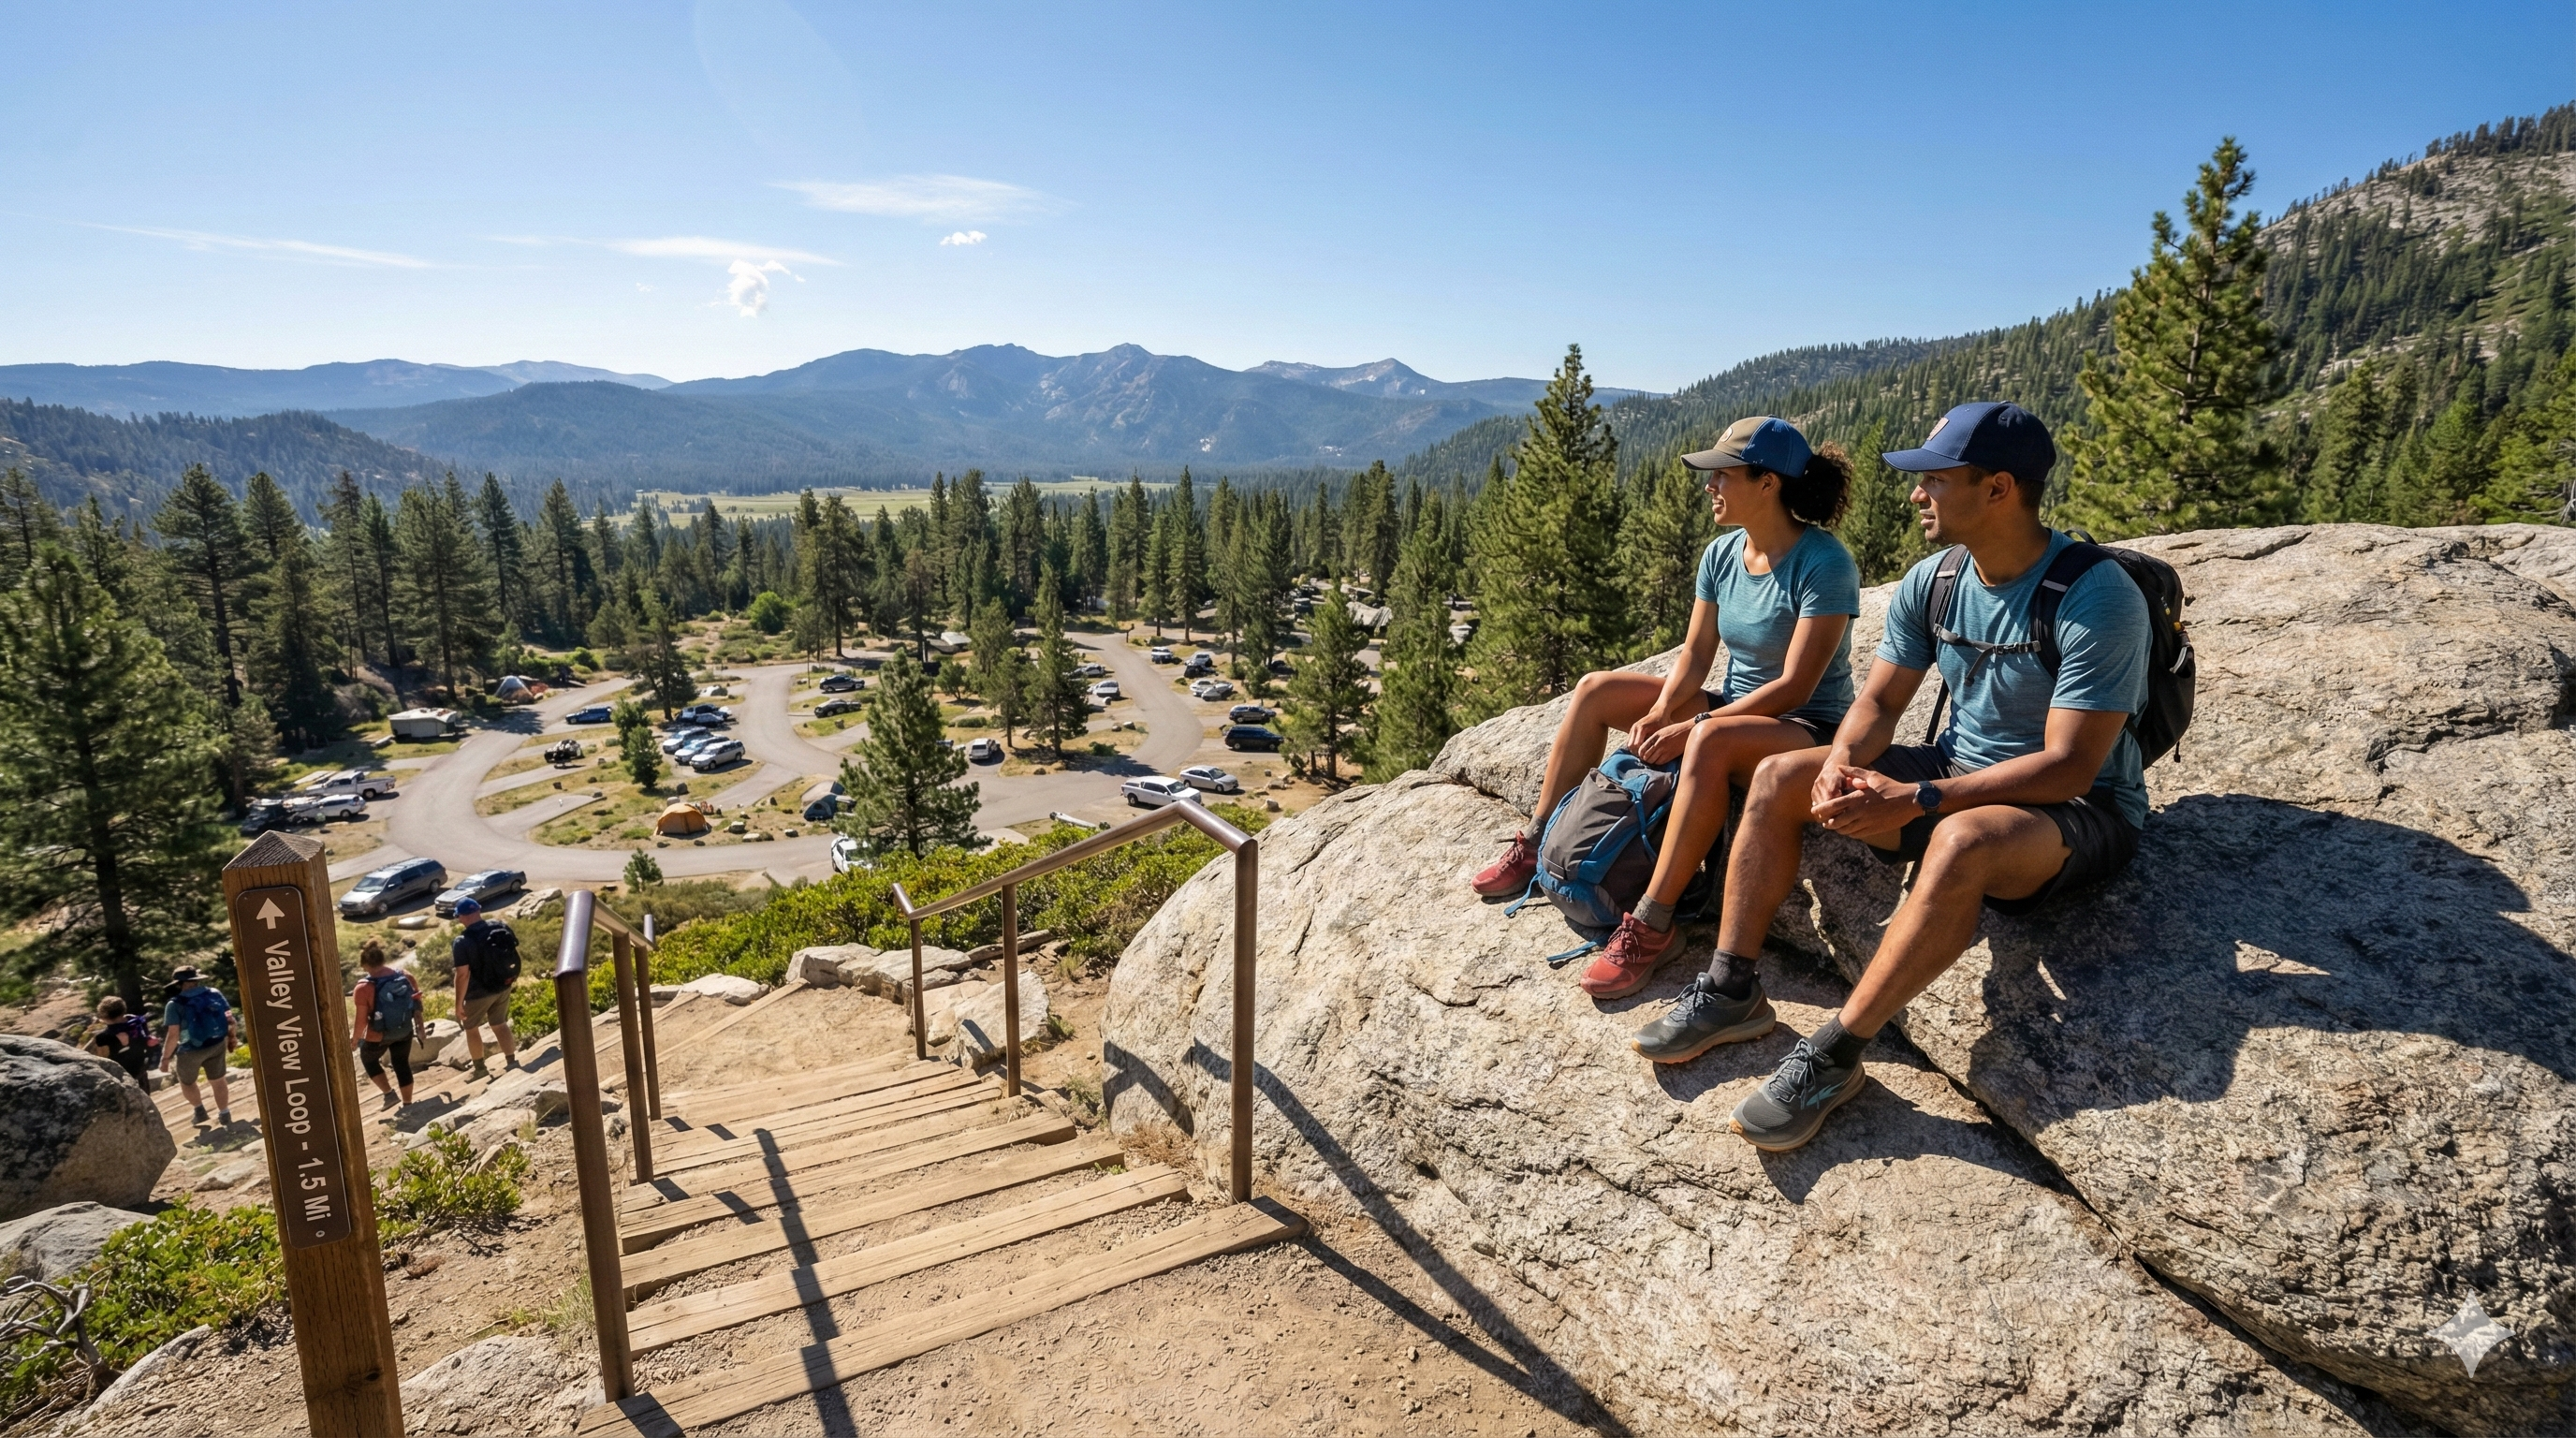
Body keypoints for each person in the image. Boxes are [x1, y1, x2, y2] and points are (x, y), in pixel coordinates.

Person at [1632, 402, 2151, 1152]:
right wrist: (1842, 766)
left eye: (1933, 480)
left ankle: (1836, 1052)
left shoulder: (2095, 596)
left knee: (1963, 841)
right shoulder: (1935, 580)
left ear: (1999, 488)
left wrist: (1921, 798)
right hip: (1953, 770)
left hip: (2077, 807)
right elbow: (1878, 702)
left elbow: (2073, 764)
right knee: (1781, 774)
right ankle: (1731, 985)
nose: (1915, 495)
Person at [1471, 416, 1862, 1004]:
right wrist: (1661, 711)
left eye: (1721, 475)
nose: (1710, 487)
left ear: (1767, 483)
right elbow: (1697, 654)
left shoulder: (1824, 563)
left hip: (1806, 725)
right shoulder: (1723, 554)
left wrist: (1697, 725)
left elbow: (1796, 686)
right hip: (1735, 704)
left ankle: (1652, 924)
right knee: (1596, 690)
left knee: (1705, 742)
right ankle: (1536, 839)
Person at [158, 966, 240, 1125]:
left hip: (190, 1049)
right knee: (219, 1080)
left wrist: (165, 1058)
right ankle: (224, 1114)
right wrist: (232, 1038)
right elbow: (230, 1019)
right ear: (197, 980)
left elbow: (173, 1034)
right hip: (217, 1043)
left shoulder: (174, 1004)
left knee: (187, 1082)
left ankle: (200, 1110)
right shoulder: (214, 993)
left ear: (179, 983)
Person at [450, 898, 520, 1080]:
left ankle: (480, 1069)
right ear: (479, 910)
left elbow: (463, 975)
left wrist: (458, 1004)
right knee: (499, 1023)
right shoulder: (499, 925)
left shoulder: (461, 942)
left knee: (471, 1028)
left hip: (477, 993)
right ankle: (512, 1062)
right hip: (502, 985)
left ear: (461, 917)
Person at [351, 938, 422, 1108]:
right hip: (404, 1030)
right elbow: (417, 1004)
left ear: (365, 965)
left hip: (379, 1035)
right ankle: (408, 1104)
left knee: (368, 1059)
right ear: (383, 960)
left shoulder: (363, 988)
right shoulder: (405, 976)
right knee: (401, 1063)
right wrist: (420, 1027)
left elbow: (361, 1021)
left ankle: (389, 1095)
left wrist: (354, 1040)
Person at [86, 996, 154, 1090]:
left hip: (121, 1075)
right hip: (141, 1067)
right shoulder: (137, 1022)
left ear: (106, 1017)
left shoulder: (106, 1036)